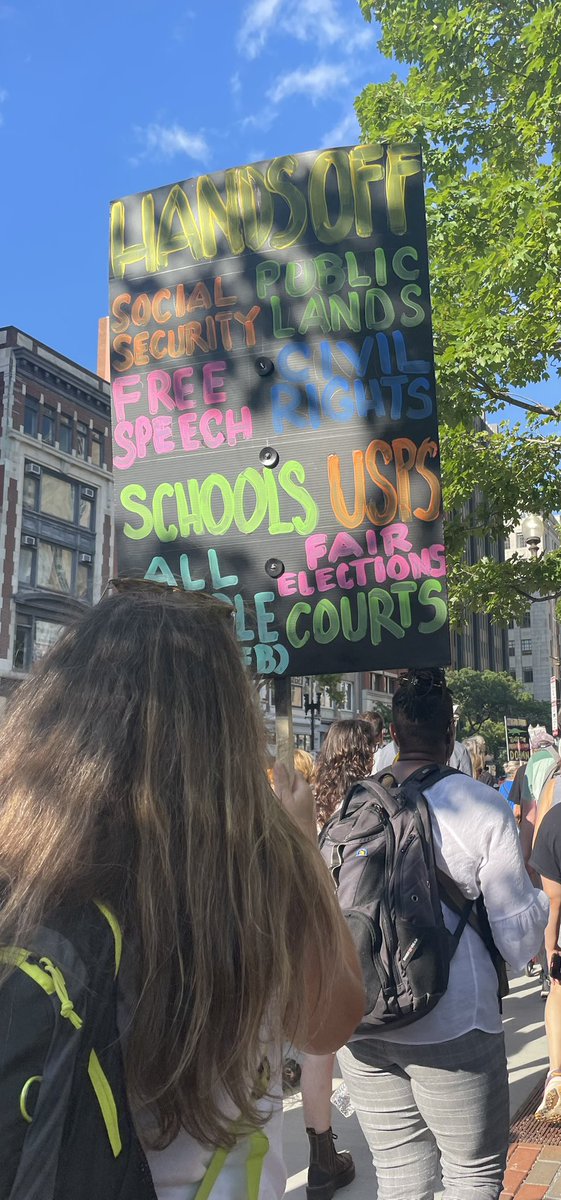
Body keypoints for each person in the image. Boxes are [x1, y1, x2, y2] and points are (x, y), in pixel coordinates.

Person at [0, 582, 364, 1200]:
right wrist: (304, 847)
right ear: (225, 719)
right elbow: (331, 1023)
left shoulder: (22, 852)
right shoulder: (259, 867)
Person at [337, 668, 549, 1200]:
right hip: (452, 1021)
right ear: (449, 735)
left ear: (394, 733)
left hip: (361, 1016)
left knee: (398, 1175)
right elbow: (518, 942)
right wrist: (542, 906)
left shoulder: (355, 805)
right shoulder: (480, 805)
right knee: (471, 1173)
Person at [300, 718, 379, 1200]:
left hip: (316, 931)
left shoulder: (311, 798)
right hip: (363, 929)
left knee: (319, 1049)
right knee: (377, 1030)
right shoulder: (374, 797)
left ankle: (320, 1156)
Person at [531, 801, 561, 1119]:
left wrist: (550, 948)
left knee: (558, 991)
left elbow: (554, 899)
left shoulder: (554, 821)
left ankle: (557, 1075)